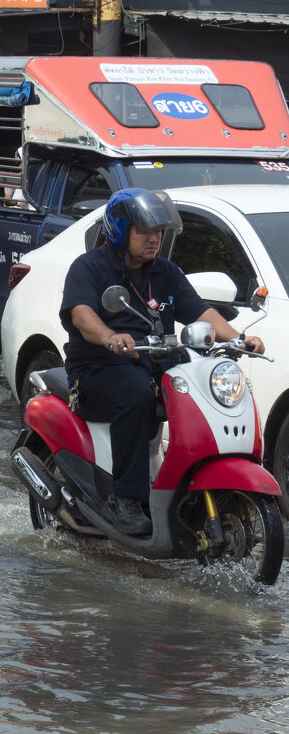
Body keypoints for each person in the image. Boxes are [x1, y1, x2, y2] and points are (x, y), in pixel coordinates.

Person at [60, 188, 264, 536]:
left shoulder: (165, 272)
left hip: (154, 364)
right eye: (144, 231)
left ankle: (191, 484)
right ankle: (125, 498)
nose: (154, 238)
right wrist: (110, 337)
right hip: (98, 371)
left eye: (158, 231)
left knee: (203, 388)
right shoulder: (89, 267)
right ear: (120, 230)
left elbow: (199, 310)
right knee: (136, 393)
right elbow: (81, 315)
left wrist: (238, 339)